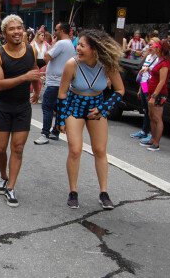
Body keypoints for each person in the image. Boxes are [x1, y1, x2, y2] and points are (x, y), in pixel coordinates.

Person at [56, 29, 125, 209]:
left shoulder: (107, 65)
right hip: (74, 107)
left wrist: (103, 108)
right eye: (77, 44)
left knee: (100, 150)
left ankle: (104, 192)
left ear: (94, 49)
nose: (77, 48)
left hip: (96, 108)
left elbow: (120, 90)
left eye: (81, 45)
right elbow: (62, 93)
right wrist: (61, 120)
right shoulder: (72, 64)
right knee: (75, 149)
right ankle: (73, 191)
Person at [0, 15, 40, 208]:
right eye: (12, 29)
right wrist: (24, 77)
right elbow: (0, 84)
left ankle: (11, 187)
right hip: (3, 107)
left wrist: (35, 88)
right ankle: (3, 176)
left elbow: (34, 70)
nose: (17, 32)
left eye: (19, 28)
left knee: (17, 148)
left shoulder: (31, 50)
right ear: (4, 34)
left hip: (22, 107)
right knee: (0, 149)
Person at [34, 22, 75, 145]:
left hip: (55, 82)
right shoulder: (70, 44)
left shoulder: (61, 43)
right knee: (58, 107)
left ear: (62, 31)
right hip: (62, 81)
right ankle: (55, 131)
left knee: (47, 107)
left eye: (56, 30)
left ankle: (44, 133)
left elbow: (47, 57)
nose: (54, 32)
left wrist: (53, 44)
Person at [140, 39, 170, 151]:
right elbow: (152, 70)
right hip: (148, 88)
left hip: (159, 94)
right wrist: (147, 69)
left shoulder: (165, 63)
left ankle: (156, 142)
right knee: (151, 116)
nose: (152, 48)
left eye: (154, 47)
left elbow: (162, 81)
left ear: (159, 49)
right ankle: (152, 139)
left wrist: (154, 96)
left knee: (157, 118)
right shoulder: (157, 59)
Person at [130, 38, 159, 140]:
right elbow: (143, 74)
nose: (149, 47)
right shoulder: (149, 57)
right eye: (149, 45)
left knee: (151, 110)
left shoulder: (158, 59)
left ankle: (152, 133)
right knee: (145, 109)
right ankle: (144, 130)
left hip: (151, 85)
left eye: (152, 45)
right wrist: (140, 89)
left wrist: (149, 69)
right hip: (144, 84)